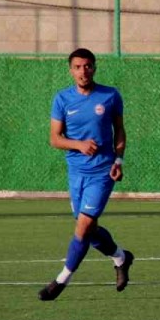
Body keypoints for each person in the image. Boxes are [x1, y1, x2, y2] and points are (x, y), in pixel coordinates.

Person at [39, 48, 134, 301]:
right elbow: (55, 139)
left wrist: (118, 160)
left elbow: (120, 132)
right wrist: (79, 145)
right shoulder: (62, 99)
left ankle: (61, 280)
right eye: (78, 67)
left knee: (83, 227)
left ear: (95, 68)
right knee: (88, 230)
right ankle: (121, 258)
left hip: (102, 171)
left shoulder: (110, 95)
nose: (84, 71)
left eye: (88, 66)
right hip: (76, 173)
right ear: (71, 70)